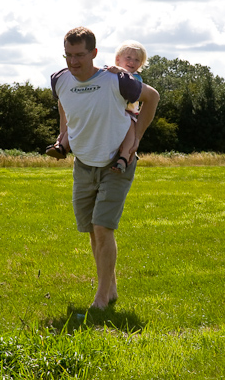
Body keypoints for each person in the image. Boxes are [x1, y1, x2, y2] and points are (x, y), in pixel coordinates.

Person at [50, 27, 159, 309]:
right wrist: (63, 136)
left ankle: (100, 299)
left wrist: (136, 138)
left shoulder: (116, 80)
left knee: (102, 227)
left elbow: (153, 97)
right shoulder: (60, 80)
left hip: (116, 164)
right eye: (69, 55)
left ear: (94, 54)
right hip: (83, 163)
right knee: (91, 230)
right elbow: (64, 104)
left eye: (80, 55)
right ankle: (109, 289)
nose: (73, 62)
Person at [47, 40, 149, 174]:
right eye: (128, 58)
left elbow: (131, 84)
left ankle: (124, 158)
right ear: (118, 59)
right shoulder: (109, 71)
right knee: (78, 121)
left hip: (128, 112)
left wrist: (121, 71)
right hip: (110, 109)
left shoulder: (135, 77)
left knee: (130, 130)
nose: (132, 62)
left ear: (140, 64)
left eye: (137, 60)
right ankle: (61, 146)